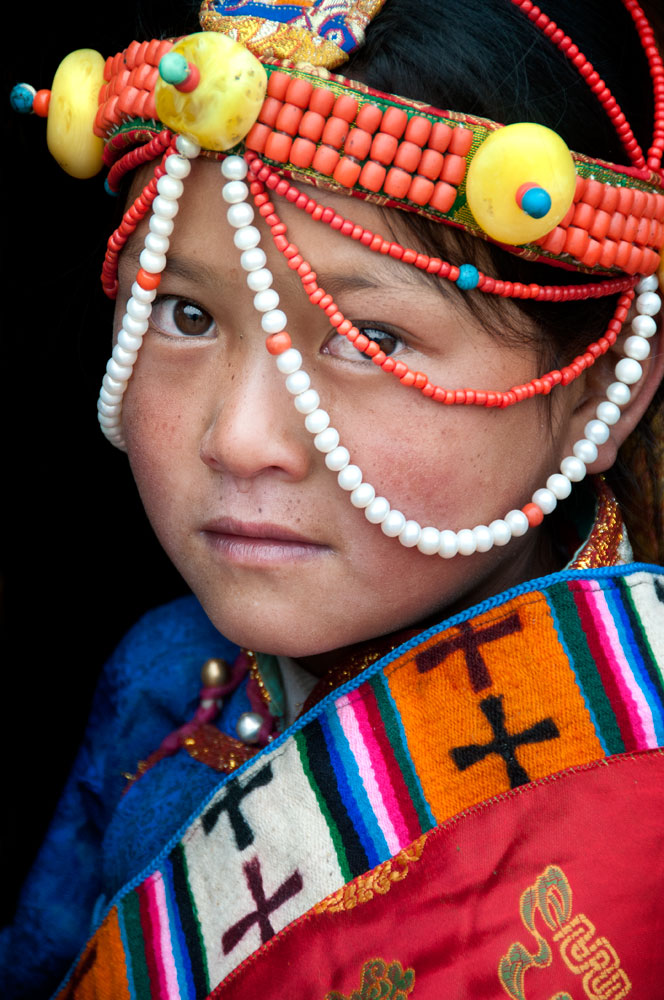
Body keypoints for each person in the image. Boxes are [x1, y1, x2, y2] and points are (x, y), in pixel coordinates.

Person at [3, 0, 664, 996]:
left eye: (370, 340)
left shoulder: (635, 785)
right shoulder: (167, 675)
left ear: (596, 395)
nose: (239, 438)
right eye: (185, 314)